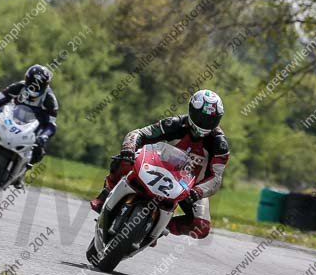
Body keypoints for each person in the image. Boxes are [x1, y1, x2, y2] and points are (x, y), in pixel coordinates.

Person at [90, 89, 229, 240]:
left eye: (211, 119)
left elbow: (216, 178)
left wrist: (198, 191)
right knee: (123, 160)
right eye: (201, 117)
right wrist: (129, 149)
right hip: (157, 168)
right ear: (191, 110)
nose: (205, 123)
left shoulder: (219, 145)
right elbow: (139, 134)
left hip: (189, 187)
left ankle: (161, 226)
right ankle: (105, 194)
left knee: (202, 227)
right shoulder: (174, 124)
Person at [0, 65, 58, 170]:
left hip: (33, 128)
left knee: (39, 151)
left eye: (40, 85)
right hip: (10, 118)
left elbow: (51, 125)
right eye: (32, 83)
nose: (35, 88)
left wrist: (44, 136)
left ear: (46, 85)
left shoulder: (50, 99)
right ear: (26, 79)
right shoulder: (18, 86)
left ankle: (23, 170)